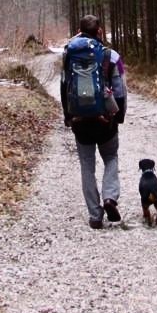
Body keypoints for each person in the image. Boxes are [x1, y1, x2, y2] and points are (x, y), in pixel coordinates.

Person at [60, 15, 127, 229]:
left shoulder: (69, 53)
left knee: (87, 167)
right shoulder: (111, 56)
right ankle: (109, 197)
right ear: (99, 31)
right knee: (111, 157)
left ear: (79, 31)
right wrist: (119, 116)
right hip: (105, 120)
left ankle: (95, 215)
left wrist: (68, 116)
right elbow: (120, 91)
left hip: (80, 120)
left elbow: (64, 86)